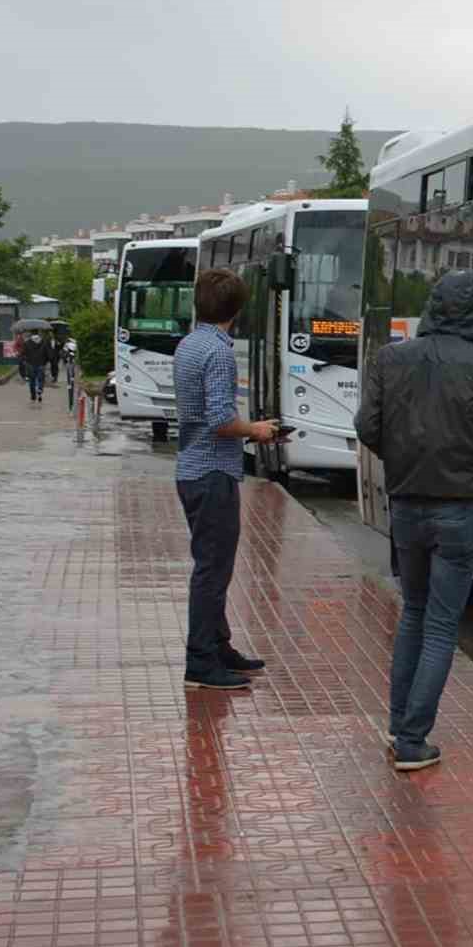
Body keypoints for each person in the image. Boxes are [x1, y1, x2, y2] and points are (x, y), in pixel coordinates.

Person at [355, 270, 473, 772]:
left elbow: (367, 427)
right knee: (443, 625)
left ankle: (398, 723)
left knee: (414, 613)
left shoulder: (390, 357)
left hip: (405, 504)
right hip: (458, 509)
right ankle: (411, 739)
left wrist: (400, 456)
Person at [172, 268, 279, 691]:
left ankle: (219, 647)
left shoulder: (189, 344)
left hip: (191, 469)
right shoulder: (218, 352)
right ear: (237, 309)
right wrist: (257, 430)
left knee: (211, 565)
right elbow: (220, 419)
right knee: (213, 571)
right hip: (213, 471)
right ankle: (201, 661)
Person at [20, 329, 50, 403]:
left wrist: (25, 360)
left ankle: (33, 397)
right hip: (41, 364)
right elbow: (48, 354)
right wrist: (46, 362)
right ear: (38, 333)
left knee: (32, 381)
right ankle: (40, 389)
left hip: (30, 364)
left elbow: (23, 354)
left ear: (31, 334)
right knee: (41, 379)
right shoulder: (44, 342)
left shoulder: (27, 343)